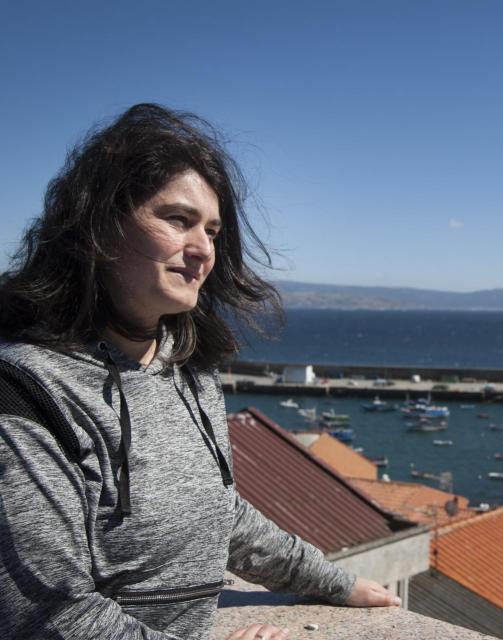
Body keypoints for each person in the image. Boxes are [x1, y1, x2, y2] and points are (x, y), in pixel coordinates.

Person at [0, 104, 399, 639]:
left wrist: (333, 582)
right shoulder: (27, 387)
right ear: (99, 225)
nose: (203, 251)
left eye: (212, 231)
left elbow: (218, 514)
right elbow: (46, 614)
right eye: (177, 220)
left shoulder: (189, 368)